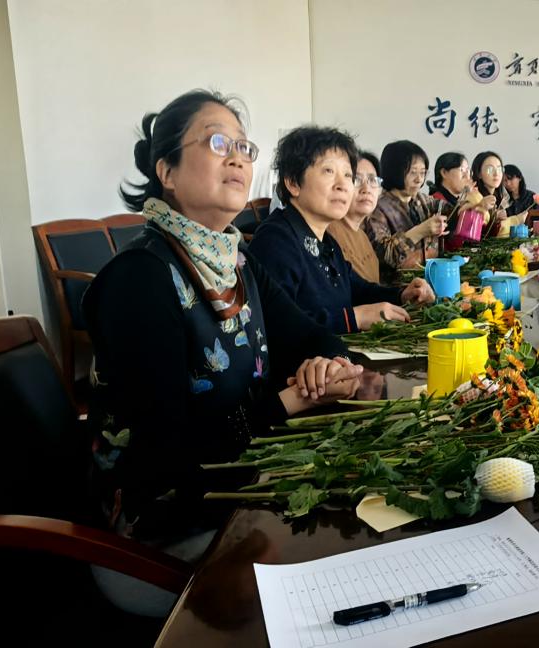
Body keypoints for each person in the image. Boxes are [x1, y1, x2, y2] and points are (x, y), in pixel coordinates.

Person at [86, 89, 364, 614]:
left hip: (243, 488)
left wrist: (327, 364)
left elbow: (313, 335)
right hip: (161, 534)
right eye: (218, 143)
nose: (237, 157)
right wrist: (288, 402)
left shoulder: (237, 261)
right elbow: (170, 456)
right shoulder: (140, 279)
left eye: (243, 146)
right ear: (167, 171)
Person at [248, 126, 434, 334]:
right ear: (293, 182)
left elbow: (357, 289)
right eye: (329, 171)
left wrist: (401, 295)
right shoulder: (275, 241)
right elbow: (278, 326)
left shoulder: (325, 241)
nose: (343, 185)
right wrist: (355, 318)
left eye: (347, 175)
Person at [366, 140, 448, 282]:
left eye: (423, 173)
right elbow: (384, 256)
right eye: (413, 172)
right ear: (394, 172)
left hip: (431, 280)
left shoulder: (422, 200)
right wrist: (421, 231)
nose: (419, 179)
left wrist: (470, 204)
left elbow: (451, 212)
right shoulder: (378, 208)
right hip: (398, 288)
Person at [327, 151, 383, 283]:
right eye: (356, 179)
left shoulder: (363, 237)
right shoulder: (328, 232)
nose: (366, 189)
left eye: (372, 180)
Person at [471, 150, 510, 233]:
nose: (496, 174)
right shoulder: (474, 197)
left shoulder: (501, 197)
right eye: (490, 169)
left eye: (499, 169)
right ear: (479, 173)